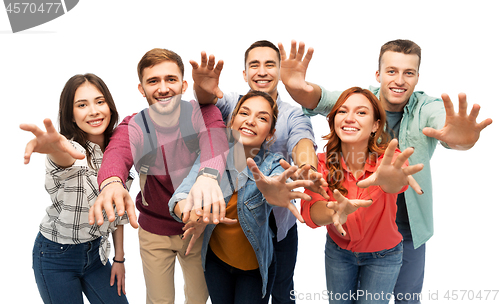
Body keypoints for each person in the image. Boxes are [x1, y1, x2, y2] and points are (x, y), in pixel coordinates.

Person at [279, 39, 493, 303]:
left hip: (407, 229)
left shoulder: (427, 107)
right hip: (355, 230)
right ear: (378, 74)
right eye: (392, 71)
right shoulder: (361, 102)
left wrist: (462, 138)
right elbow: (320, 98)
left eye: (409, 73)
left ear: (417, 78)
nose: (399, 80)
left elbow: (450, 129)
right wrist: (295, 86)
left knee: (406, 299)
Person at [190, 40, 327, 304]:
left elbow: (302, 140)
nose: (261, 71)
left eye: (269, 65)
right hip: (235, 229)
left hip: (280, 222)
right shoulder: (233, 104)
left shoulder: (292, 114)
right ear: (244, 74)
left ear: (280, 71)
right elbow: (208, 101)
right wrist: (202, 89)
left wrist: (307, 169)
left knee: (283, 291)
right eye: (254, 65)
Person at [89, 48, 229, 304]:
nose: (163, 88)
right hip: (154, 232)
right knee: (159, 300)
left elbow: (216, 140)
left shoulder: (203, 113)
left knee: (198, 298)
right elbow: (117, 153)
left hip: (196, 227)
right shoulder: (135, 125)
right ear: (141, 88)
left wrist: (208, 176)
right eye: (153, 81)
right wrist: (110, 182)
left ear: (184, 84)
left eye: (170, 79)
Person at [169, 90, 314, 304]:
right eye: (244, 113)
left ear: (270, 133)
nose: (251, 121)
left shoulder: (273, 163)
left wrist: (274, 190)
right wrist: (190, 215)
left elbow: (277, 181)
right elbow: (180, 195)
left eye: (262, 118)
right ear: (232, 121)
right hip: (216, 262)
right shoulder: (212, 156)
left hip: (253, 270)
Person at [301, 87, 424, 304]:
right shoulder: (321, 163)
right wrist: (334, 212)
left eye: (361, 112)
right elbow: (311, 212)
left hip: (383, 257)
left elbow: (396, 182)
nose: (349, 118)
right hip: (339, 253)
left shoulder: (389, 160)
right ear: (333, 120)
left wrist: (391, 178)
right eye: (342, 111)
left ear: (376, 125)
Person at [21, 73, 130, 304]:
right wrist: (52, 147)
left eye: (100, 102)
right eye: (82, 105)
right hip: (55, 256)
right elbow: (64, 155)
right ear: (71, 114)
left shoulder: (118, 153)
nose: (94, 111)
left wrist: (119, 260)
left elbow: (118, 213)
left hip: (97, 257)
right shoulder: (70, 151)